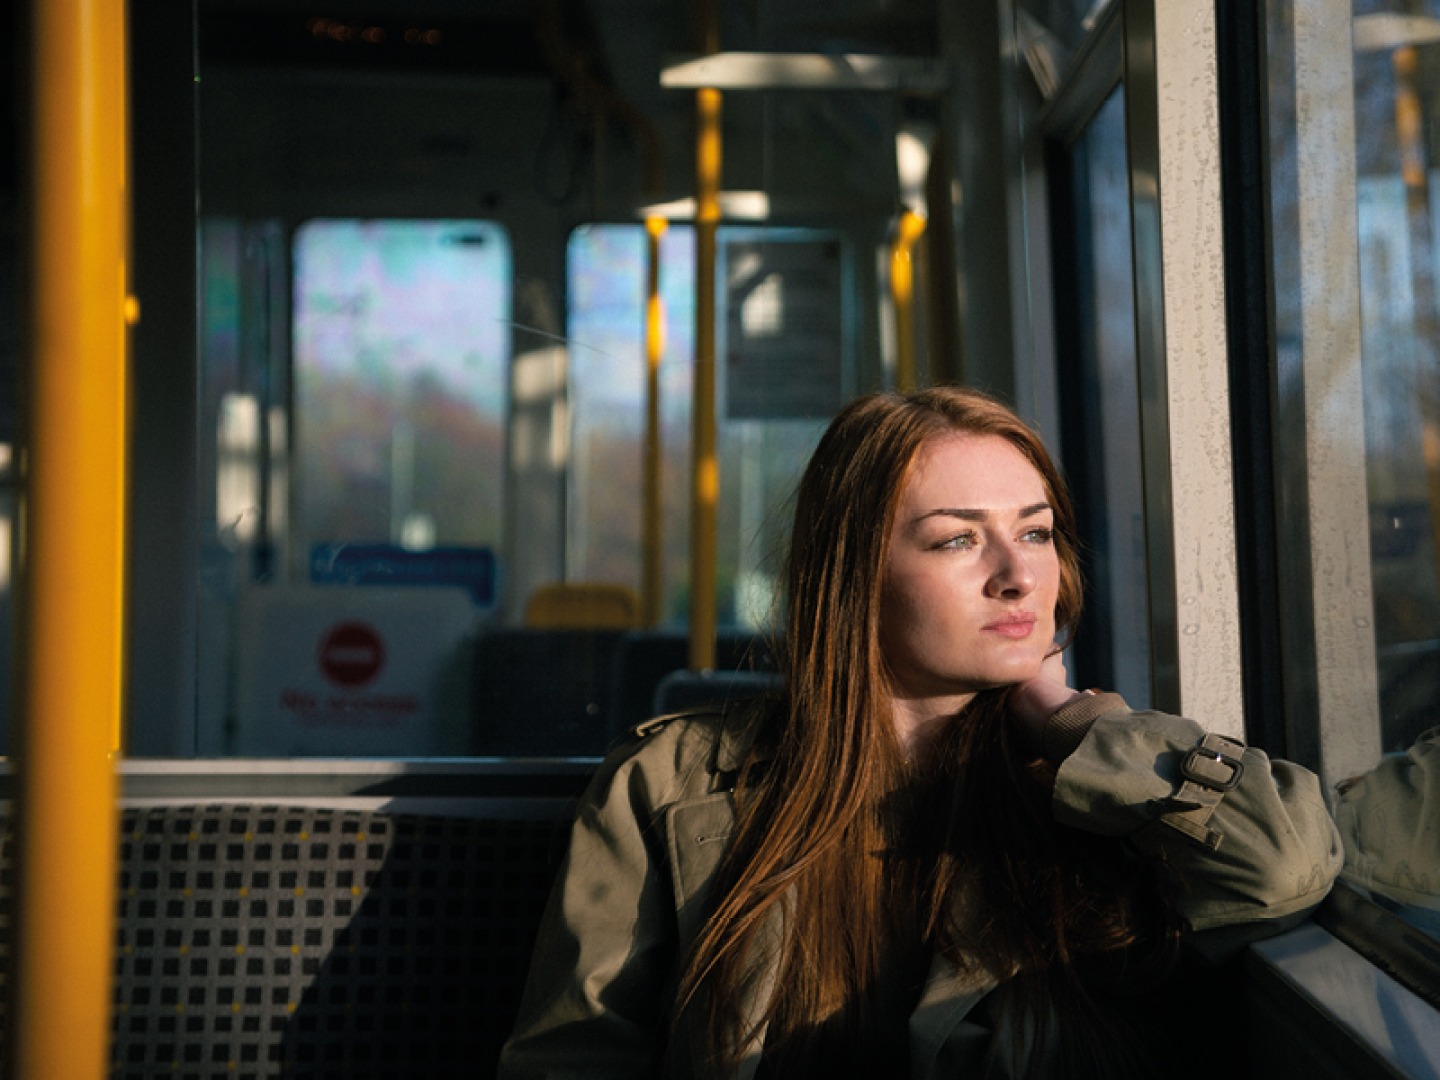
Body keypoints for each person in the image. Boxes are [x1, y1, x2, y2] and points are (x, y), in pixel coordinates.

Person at [498, 386, 1343, 1079]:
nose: (1018, 576)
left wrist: (1074, 721)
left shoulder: (1104, 777)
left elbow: (1282, 862)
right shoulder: (668, 785)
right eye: (958, 540)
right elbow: (571, 1064)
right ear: (855, 575)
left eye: (1036, 532)